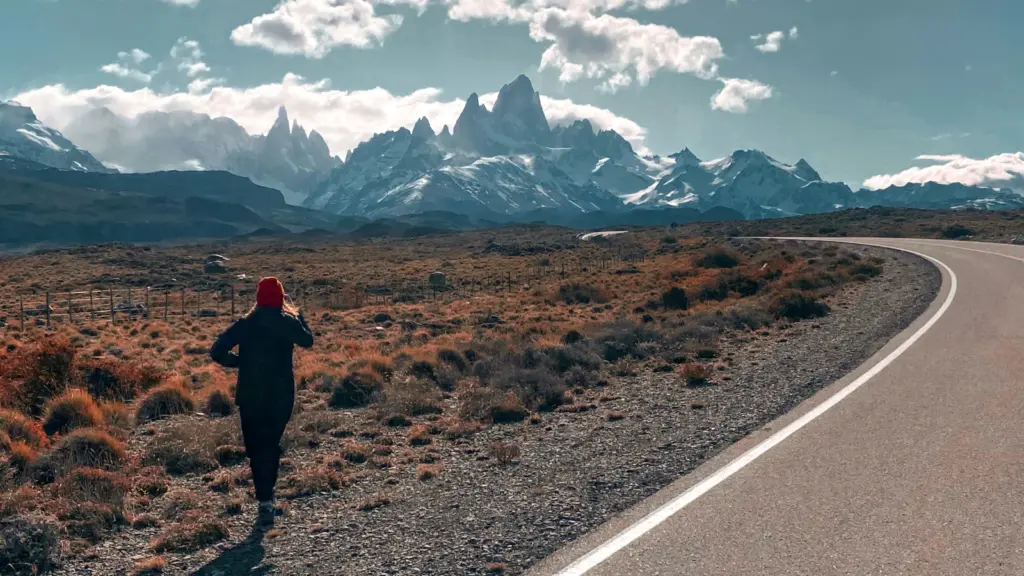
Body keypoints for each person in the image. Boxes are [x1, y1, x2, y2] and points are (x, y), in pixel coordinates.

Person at [210, 277, 314, 525]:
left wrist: (240, 362)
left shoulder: (246, 324)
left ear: (257, 299)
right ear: (281, 298)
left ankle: (264, 498)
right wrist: (298, 314)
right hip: (281, 394)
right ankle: (267, 498)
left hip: (251, 394)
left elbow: (217, 351)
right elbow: (308, 340)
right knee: (270, 443)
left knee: (256, 446)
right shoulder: (287, 322)